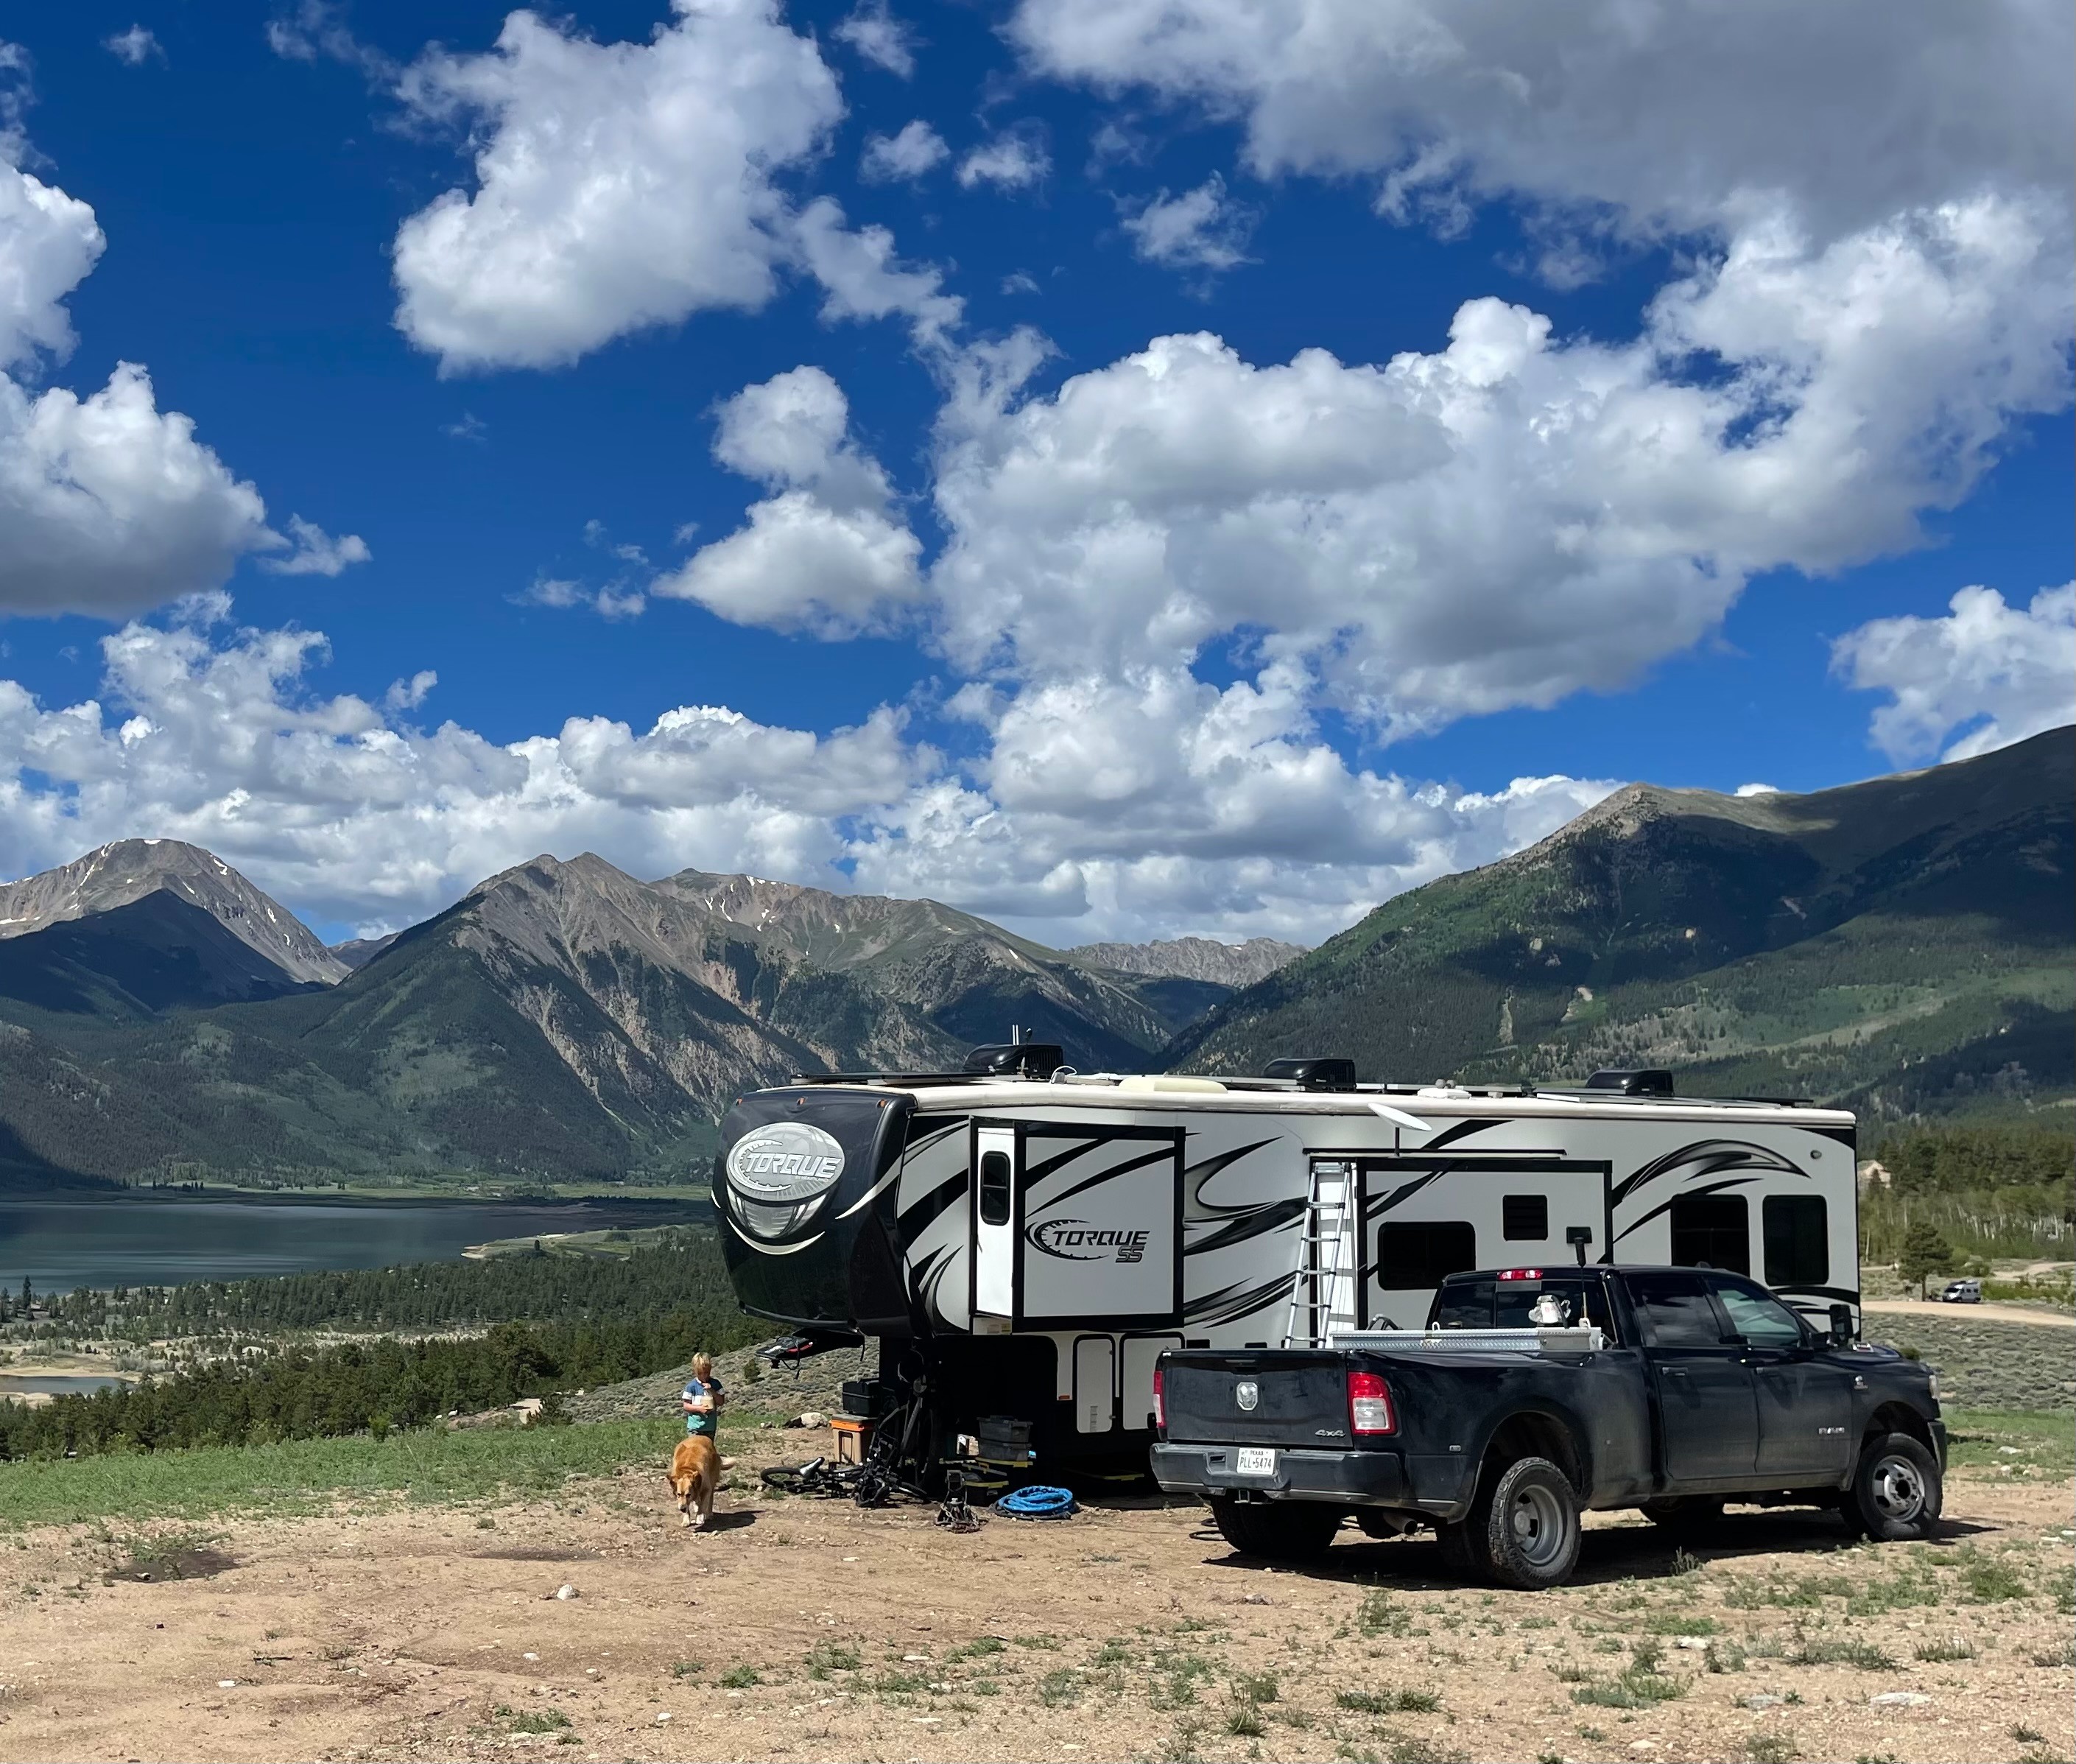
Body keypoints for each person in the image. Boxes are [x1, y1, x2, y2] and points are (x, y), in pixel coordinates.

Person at [680, 1354, 728, 1463]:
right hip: (695, 1427)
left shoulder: (715, 1384)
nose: (704, 1376)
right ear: (695, 1372)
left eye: (706, 1373)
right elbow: (686, 1405)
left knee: (708, 1451)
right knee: (694, 1450)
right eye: (700, 1373)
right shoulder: (691, 1386)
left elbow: (721, 1401)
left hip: (710, 1426)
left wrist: (712, 1391)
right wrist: (699, 1409)